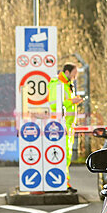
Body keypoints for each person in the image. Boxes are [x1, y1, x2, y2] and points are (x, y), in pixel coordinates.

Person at [48, 63, 84, 192]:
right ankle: (61, 183)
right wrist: (71, 102)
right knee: (63, 155)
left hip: (68, 125)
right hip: (60, 125)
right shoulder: (57, 84)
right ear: (67, 72)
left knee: (67, 155)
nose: (75, 77)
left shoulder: (67, 85)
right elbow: (53, 105)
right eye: (74, 73)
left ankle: (64, 182)